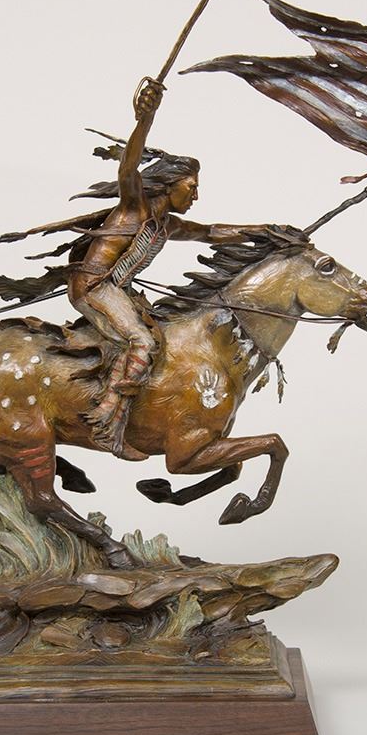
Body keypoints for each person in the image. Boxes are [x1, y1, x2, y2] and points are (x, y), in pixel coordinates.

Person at [68, 79, 269, 455]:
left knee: (161, 338)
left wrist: (263, 230)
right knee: (142, 341)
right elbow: (129, 168)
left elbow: (211, 231)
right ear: (169, 184)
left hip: (119, 290)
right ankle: (106, 423)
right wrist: (145, 119)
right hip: (95, 287)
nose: (196, 195)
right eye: (191, 187)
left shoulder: (167, 225)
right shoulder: (134, 207)